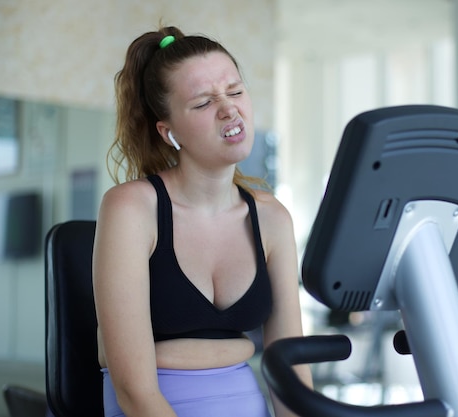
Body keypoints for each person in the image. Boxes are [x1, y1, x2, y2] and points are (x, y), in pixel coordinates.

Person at [92, 25, 312, 417]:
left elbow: (291, 371)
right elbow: (134, 392)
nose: (229, 109)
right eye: (203, 103)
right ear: (169, 131)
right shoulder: (130, 209)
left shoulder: (272, 218)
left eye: (235, 90)